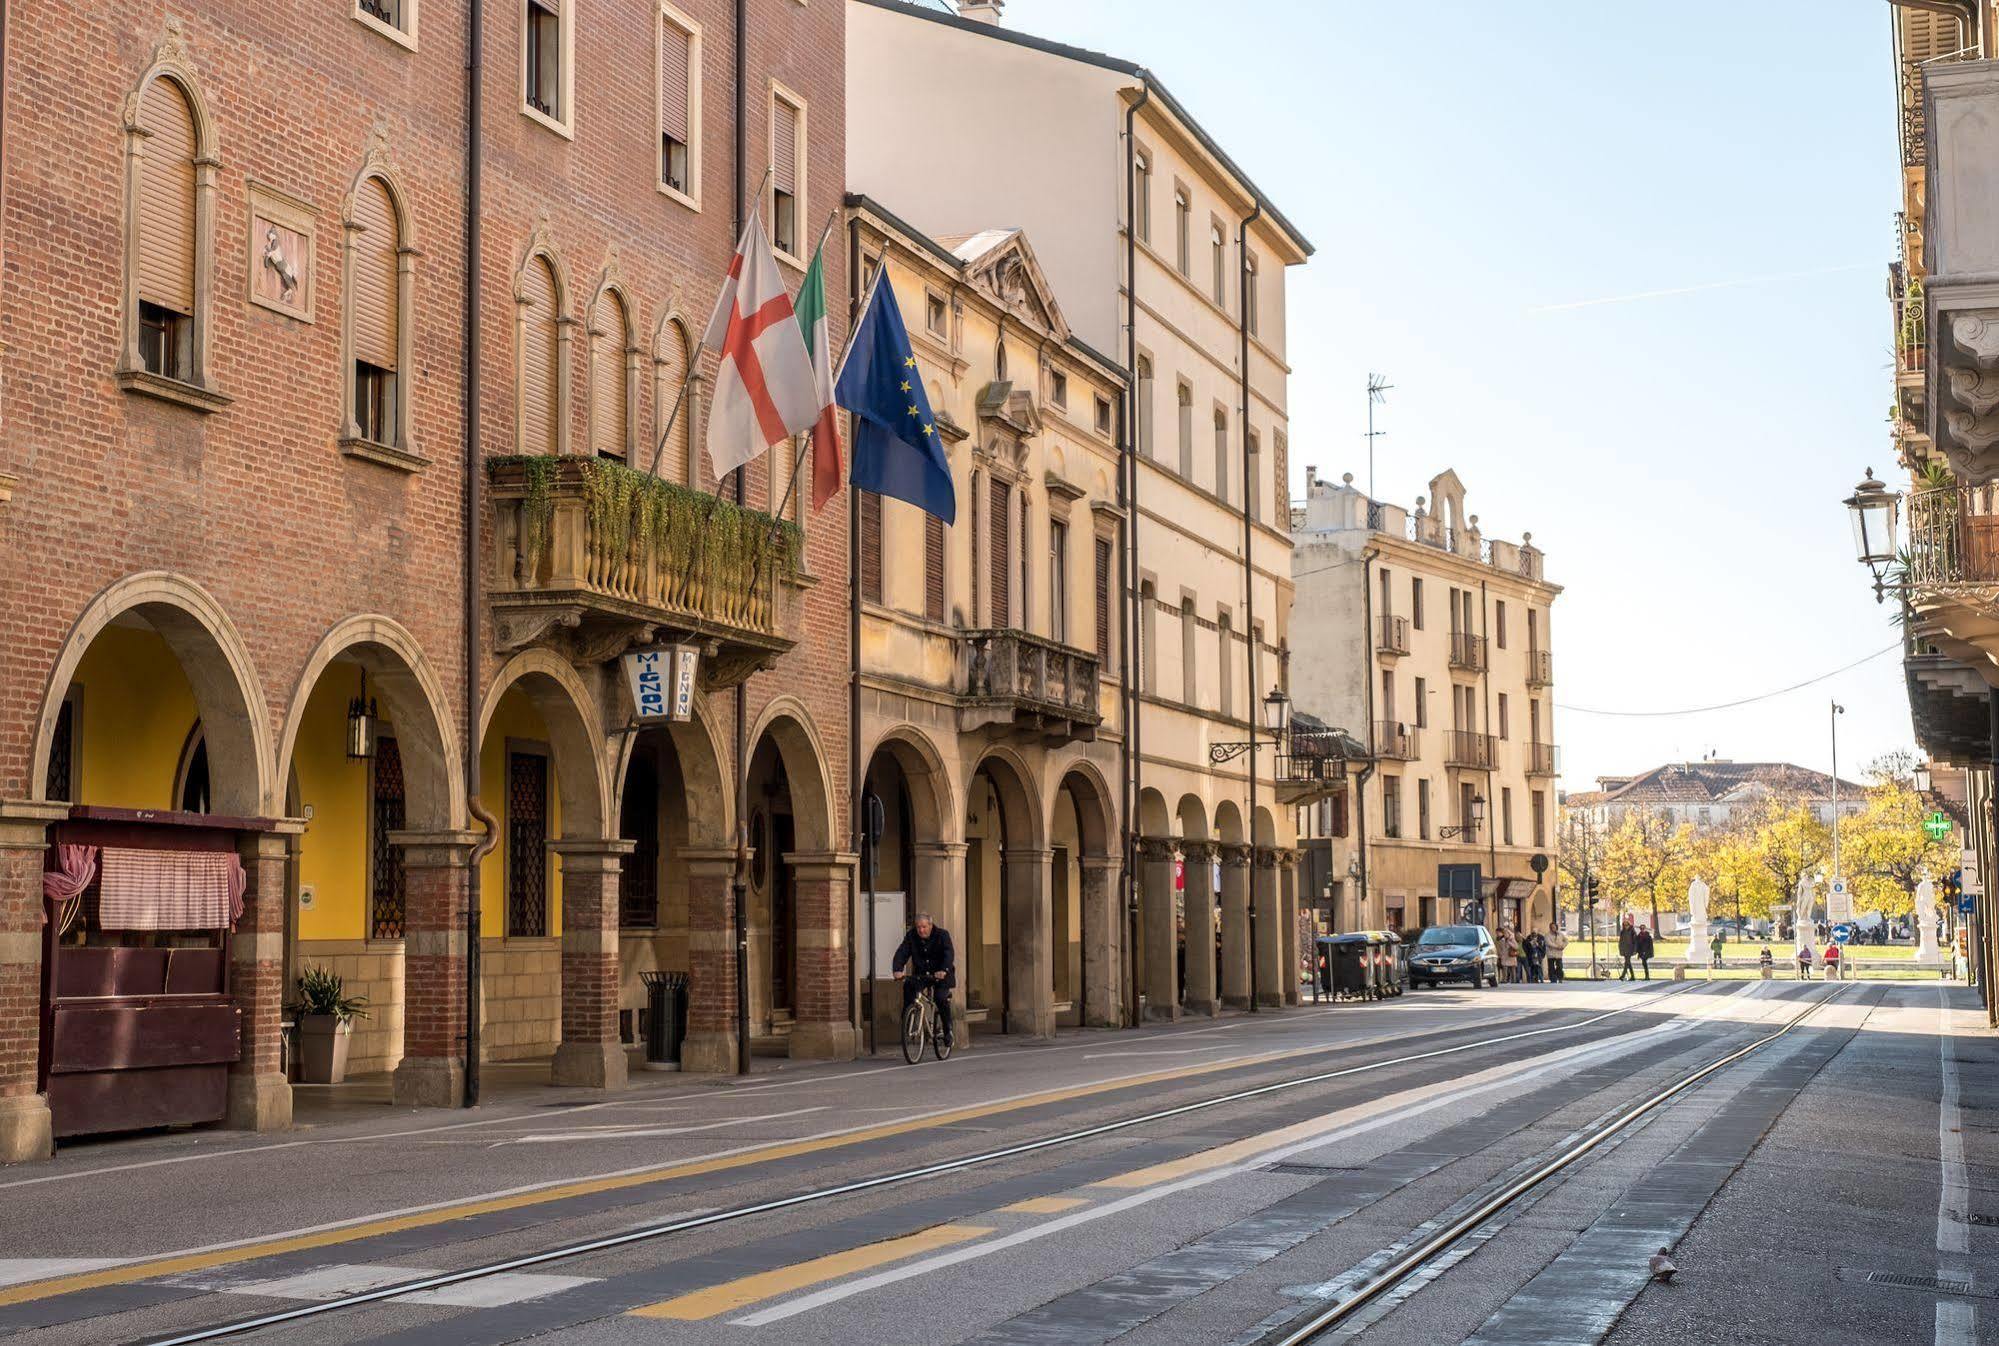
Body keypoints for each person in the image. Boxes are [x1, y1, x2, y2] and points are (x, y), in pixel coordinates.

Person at [891, 911, 956, 1047]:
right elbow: (902, 951)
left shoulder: (942, 935)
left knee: (940, 998)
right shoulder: (911, 936)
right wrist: (897, 969)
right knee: (909, 988)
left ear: (930, 925)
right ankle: (908, 1022)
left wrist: (943, 970)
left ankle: (948, 1030)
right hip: (922, 974)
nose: (921, 930)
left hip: (941, 975)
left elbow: (948, 954)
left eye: (924, 927)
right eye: (918, 927)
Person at [1618, 917, 1638, 981]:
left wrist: (1635, 950)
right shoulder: (1622, 932)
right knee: (1628, 963)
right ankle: (1633, 977)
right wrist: (1620, 949)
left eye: (1627, 925)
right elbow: (1620, 941)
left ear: (1629, 925)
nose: (1626, 926)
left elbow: (1635, 941)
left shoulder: (1632, 931)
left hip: (1630, 949)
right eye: (1624, 925)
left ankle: (1622, 976)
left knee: (1627, 962)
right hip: (1624, 949)